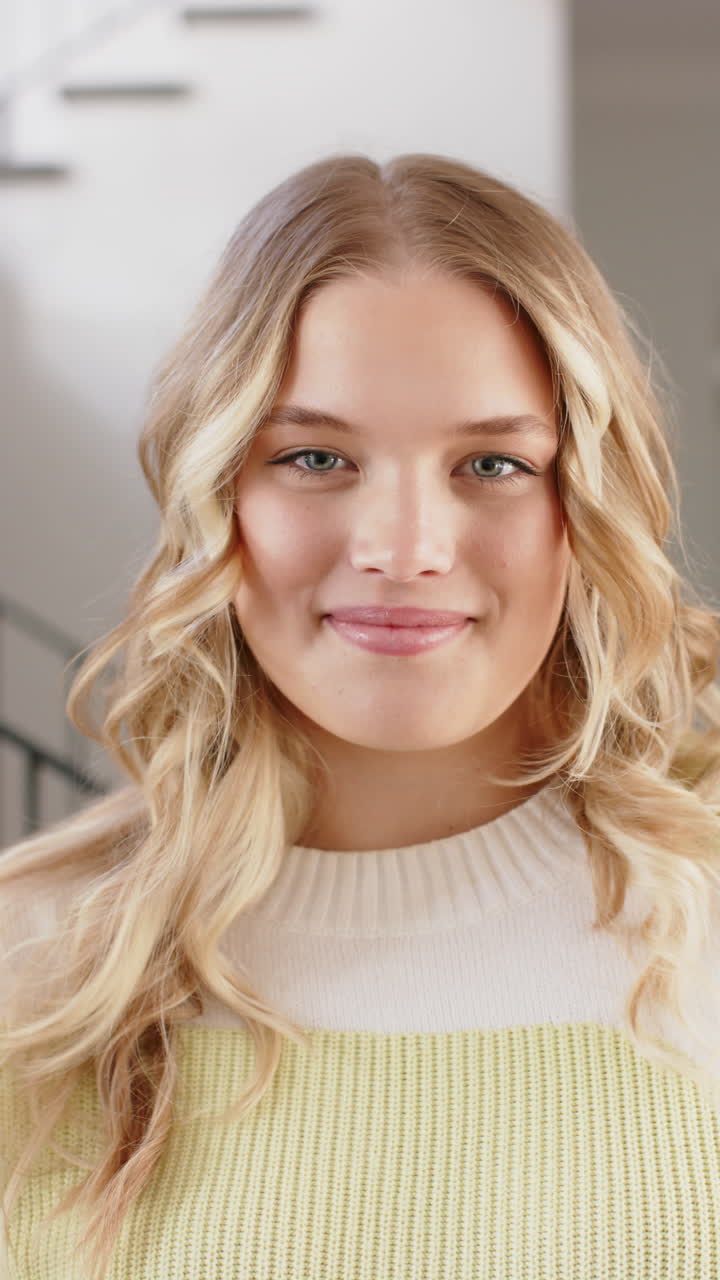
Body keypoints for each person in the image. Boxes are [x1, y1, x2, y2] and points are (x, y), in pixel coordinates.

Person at [1, 151, 720, 1280]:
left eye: (492, 461)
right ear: (216, 489)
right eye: (316, 457)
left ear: (586, 495)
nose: (403, 548)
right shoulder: (32, 968)